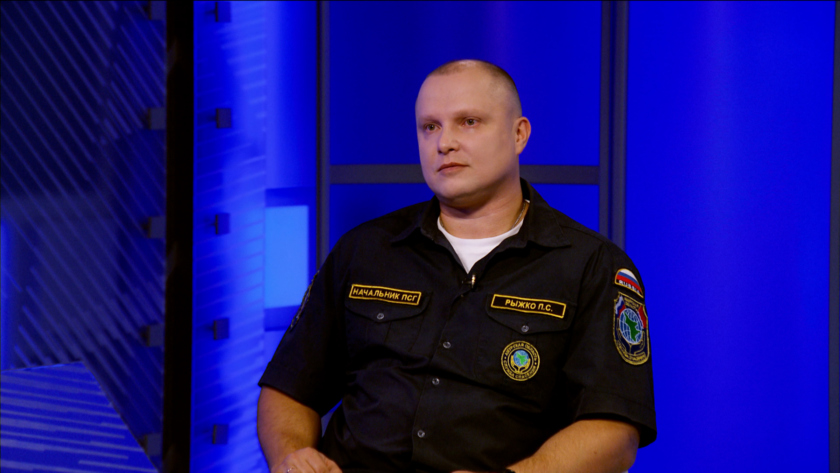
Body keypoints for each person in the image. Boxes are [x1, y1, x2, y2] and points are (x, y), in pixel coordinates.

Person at [258, 59, 656, 473]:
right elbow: (288, 387)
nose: (444, 143)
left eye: (468, 122)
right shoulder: (363, 249)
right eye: (429, 127)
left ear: (519, 134)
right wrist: (291, 454)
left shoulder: (592, 266)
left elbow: (614, 433)